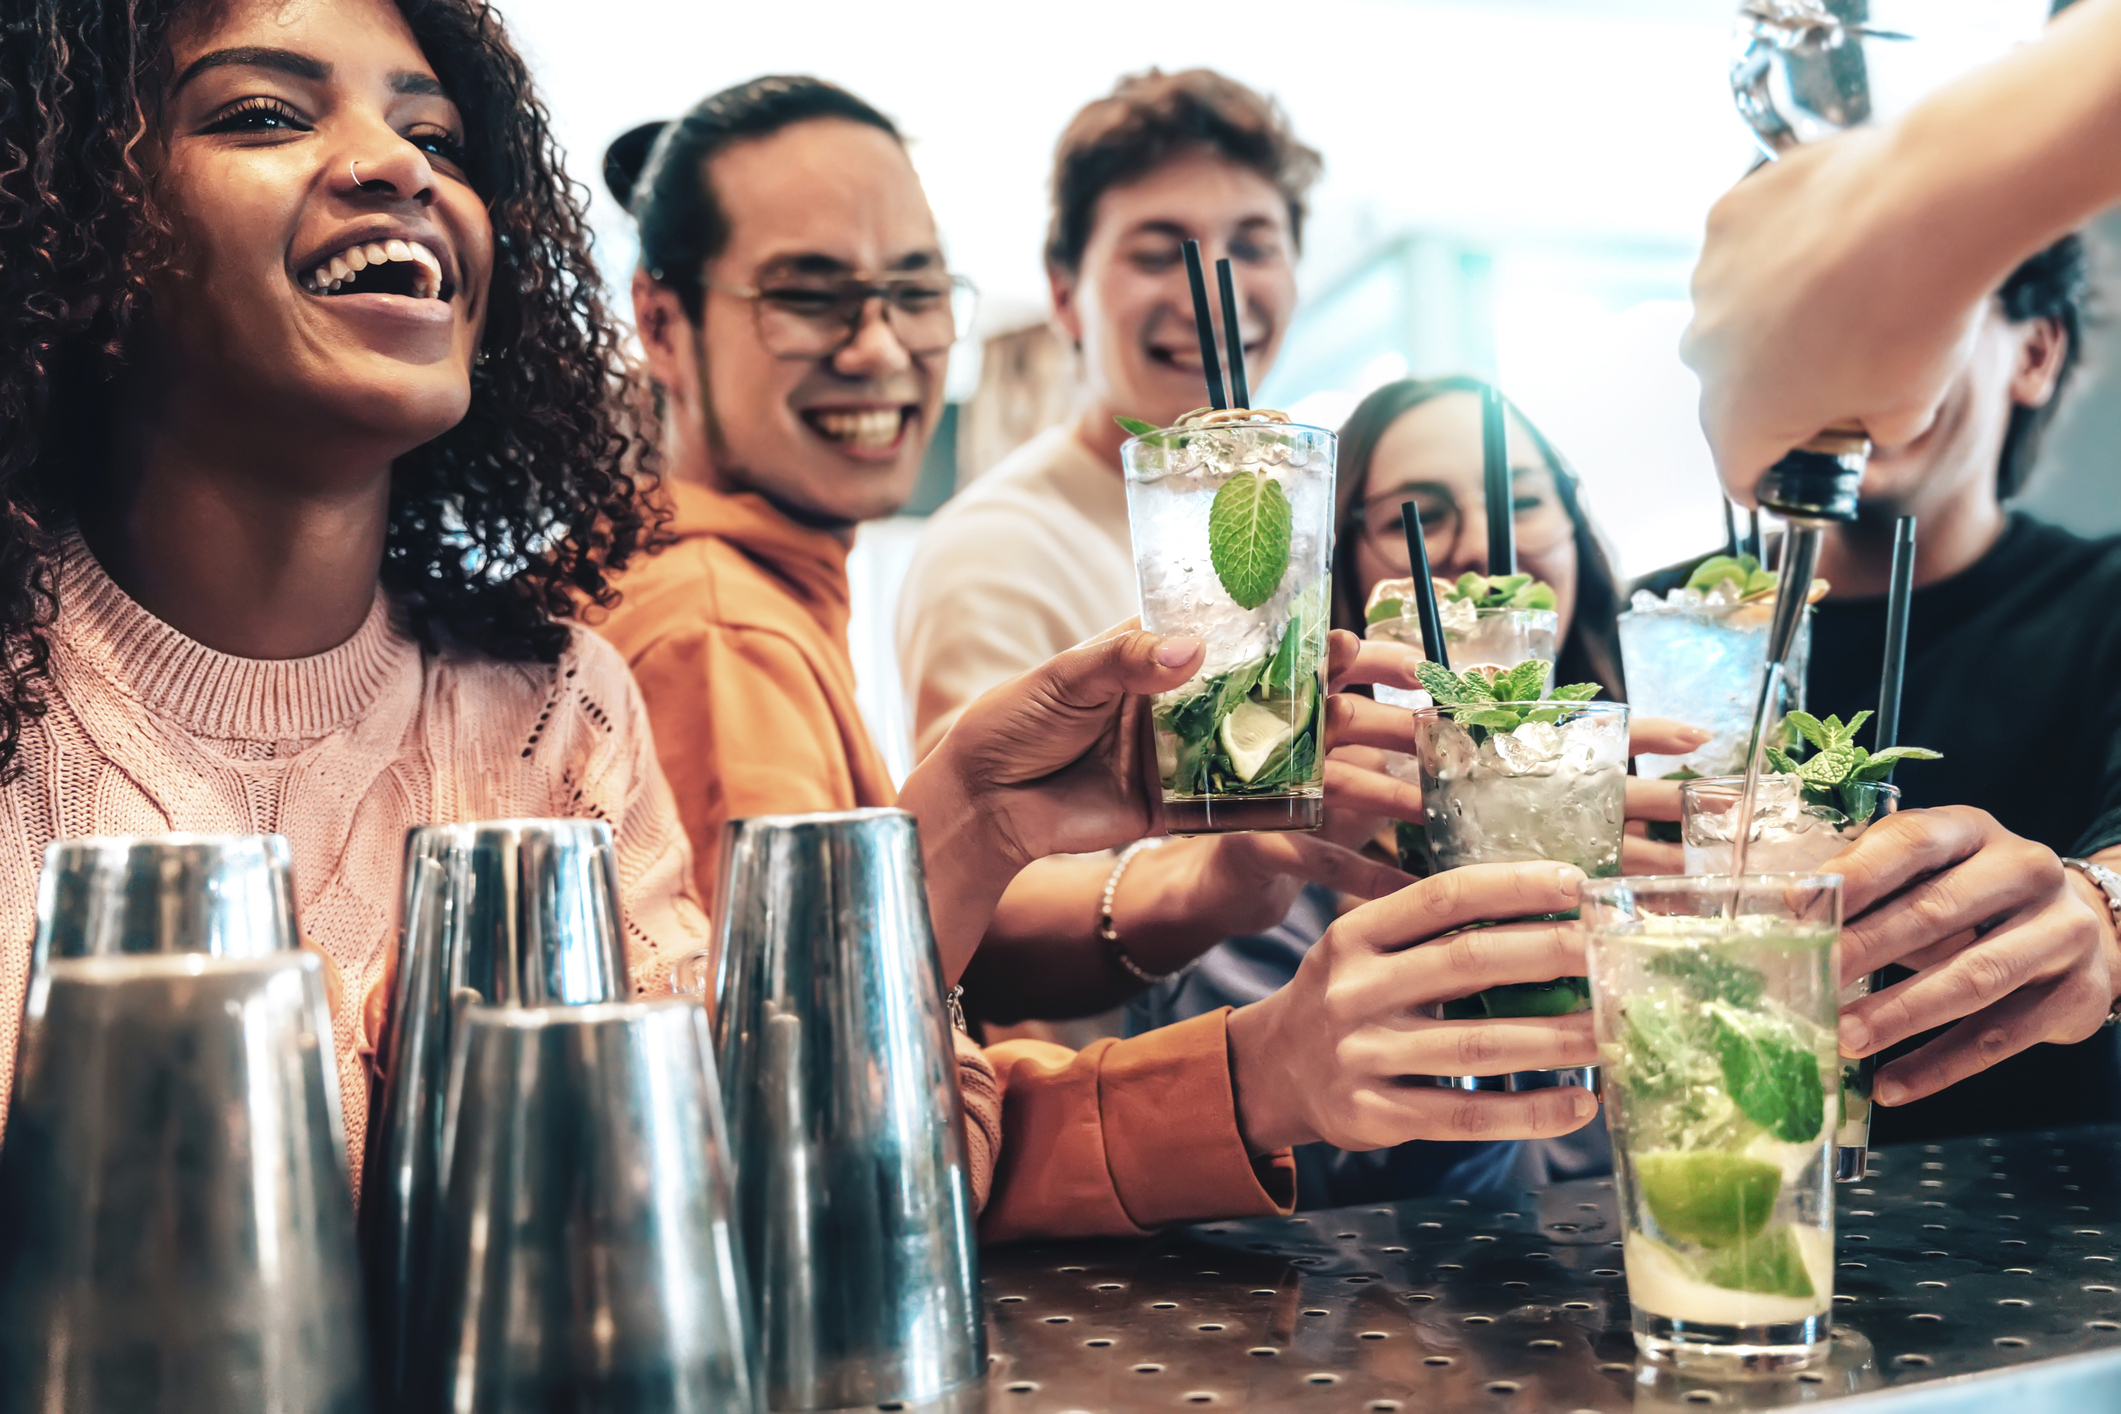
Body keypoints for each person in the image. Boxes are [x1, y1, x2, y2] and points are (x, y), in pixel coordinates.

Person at [5, 0, 1608, 1242]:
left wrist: (979, 835)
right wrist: (1259, 1065)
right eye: (269, 113)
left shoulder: (554, 703)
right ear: (70, 223)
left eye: (915, 291)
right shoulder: (704, 621)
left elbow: (745, 1166)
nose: (396, 163)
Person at [595, 76, 1416, 1038]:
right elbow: (816, 1055)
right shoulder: (725, 624)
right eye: (810, 297)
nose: (878, 347)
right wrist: (1250, 1071)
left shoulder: (770, 595)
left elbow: (880, 974)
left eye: (913, 292)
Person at [1129, 377, 1706, 1205]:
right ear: (1344, 562)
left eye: (1524, 501)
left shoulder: (1670, 833)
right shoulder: (1273, 877)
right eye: (1422, 514)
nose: (1479, 550)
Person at [1656, 236, 2121, 1137]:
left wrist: (2101, 910)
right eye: (1803, 326)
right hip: (1716, 1195)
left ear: (2033, 352)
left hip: (2043, 1225)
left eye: (1908, 320)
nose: (1848, 368)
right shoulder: (1663, 625)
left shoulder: (2103, 602)